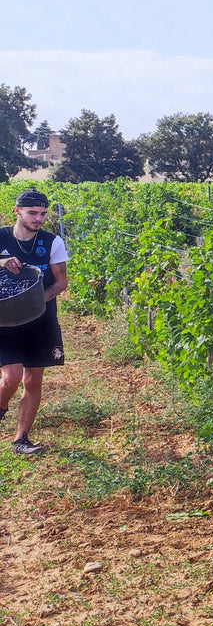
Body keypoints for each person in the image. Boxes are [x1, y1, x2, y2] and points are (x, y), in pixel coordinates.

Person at [0, 189, 70, 456]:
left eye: (42, 213)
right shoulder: (1, 237)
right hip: (5, 321)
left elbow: (61, 282)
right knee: (11, 377)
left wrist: (39, 300)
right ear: (17, 211)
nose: (38, 219)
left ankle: (21, 439)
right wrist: (3, 262)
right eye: (32, 213)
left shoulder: (52, 242)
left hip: (41, 320)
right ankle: (2, 406)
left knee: (32, 380)